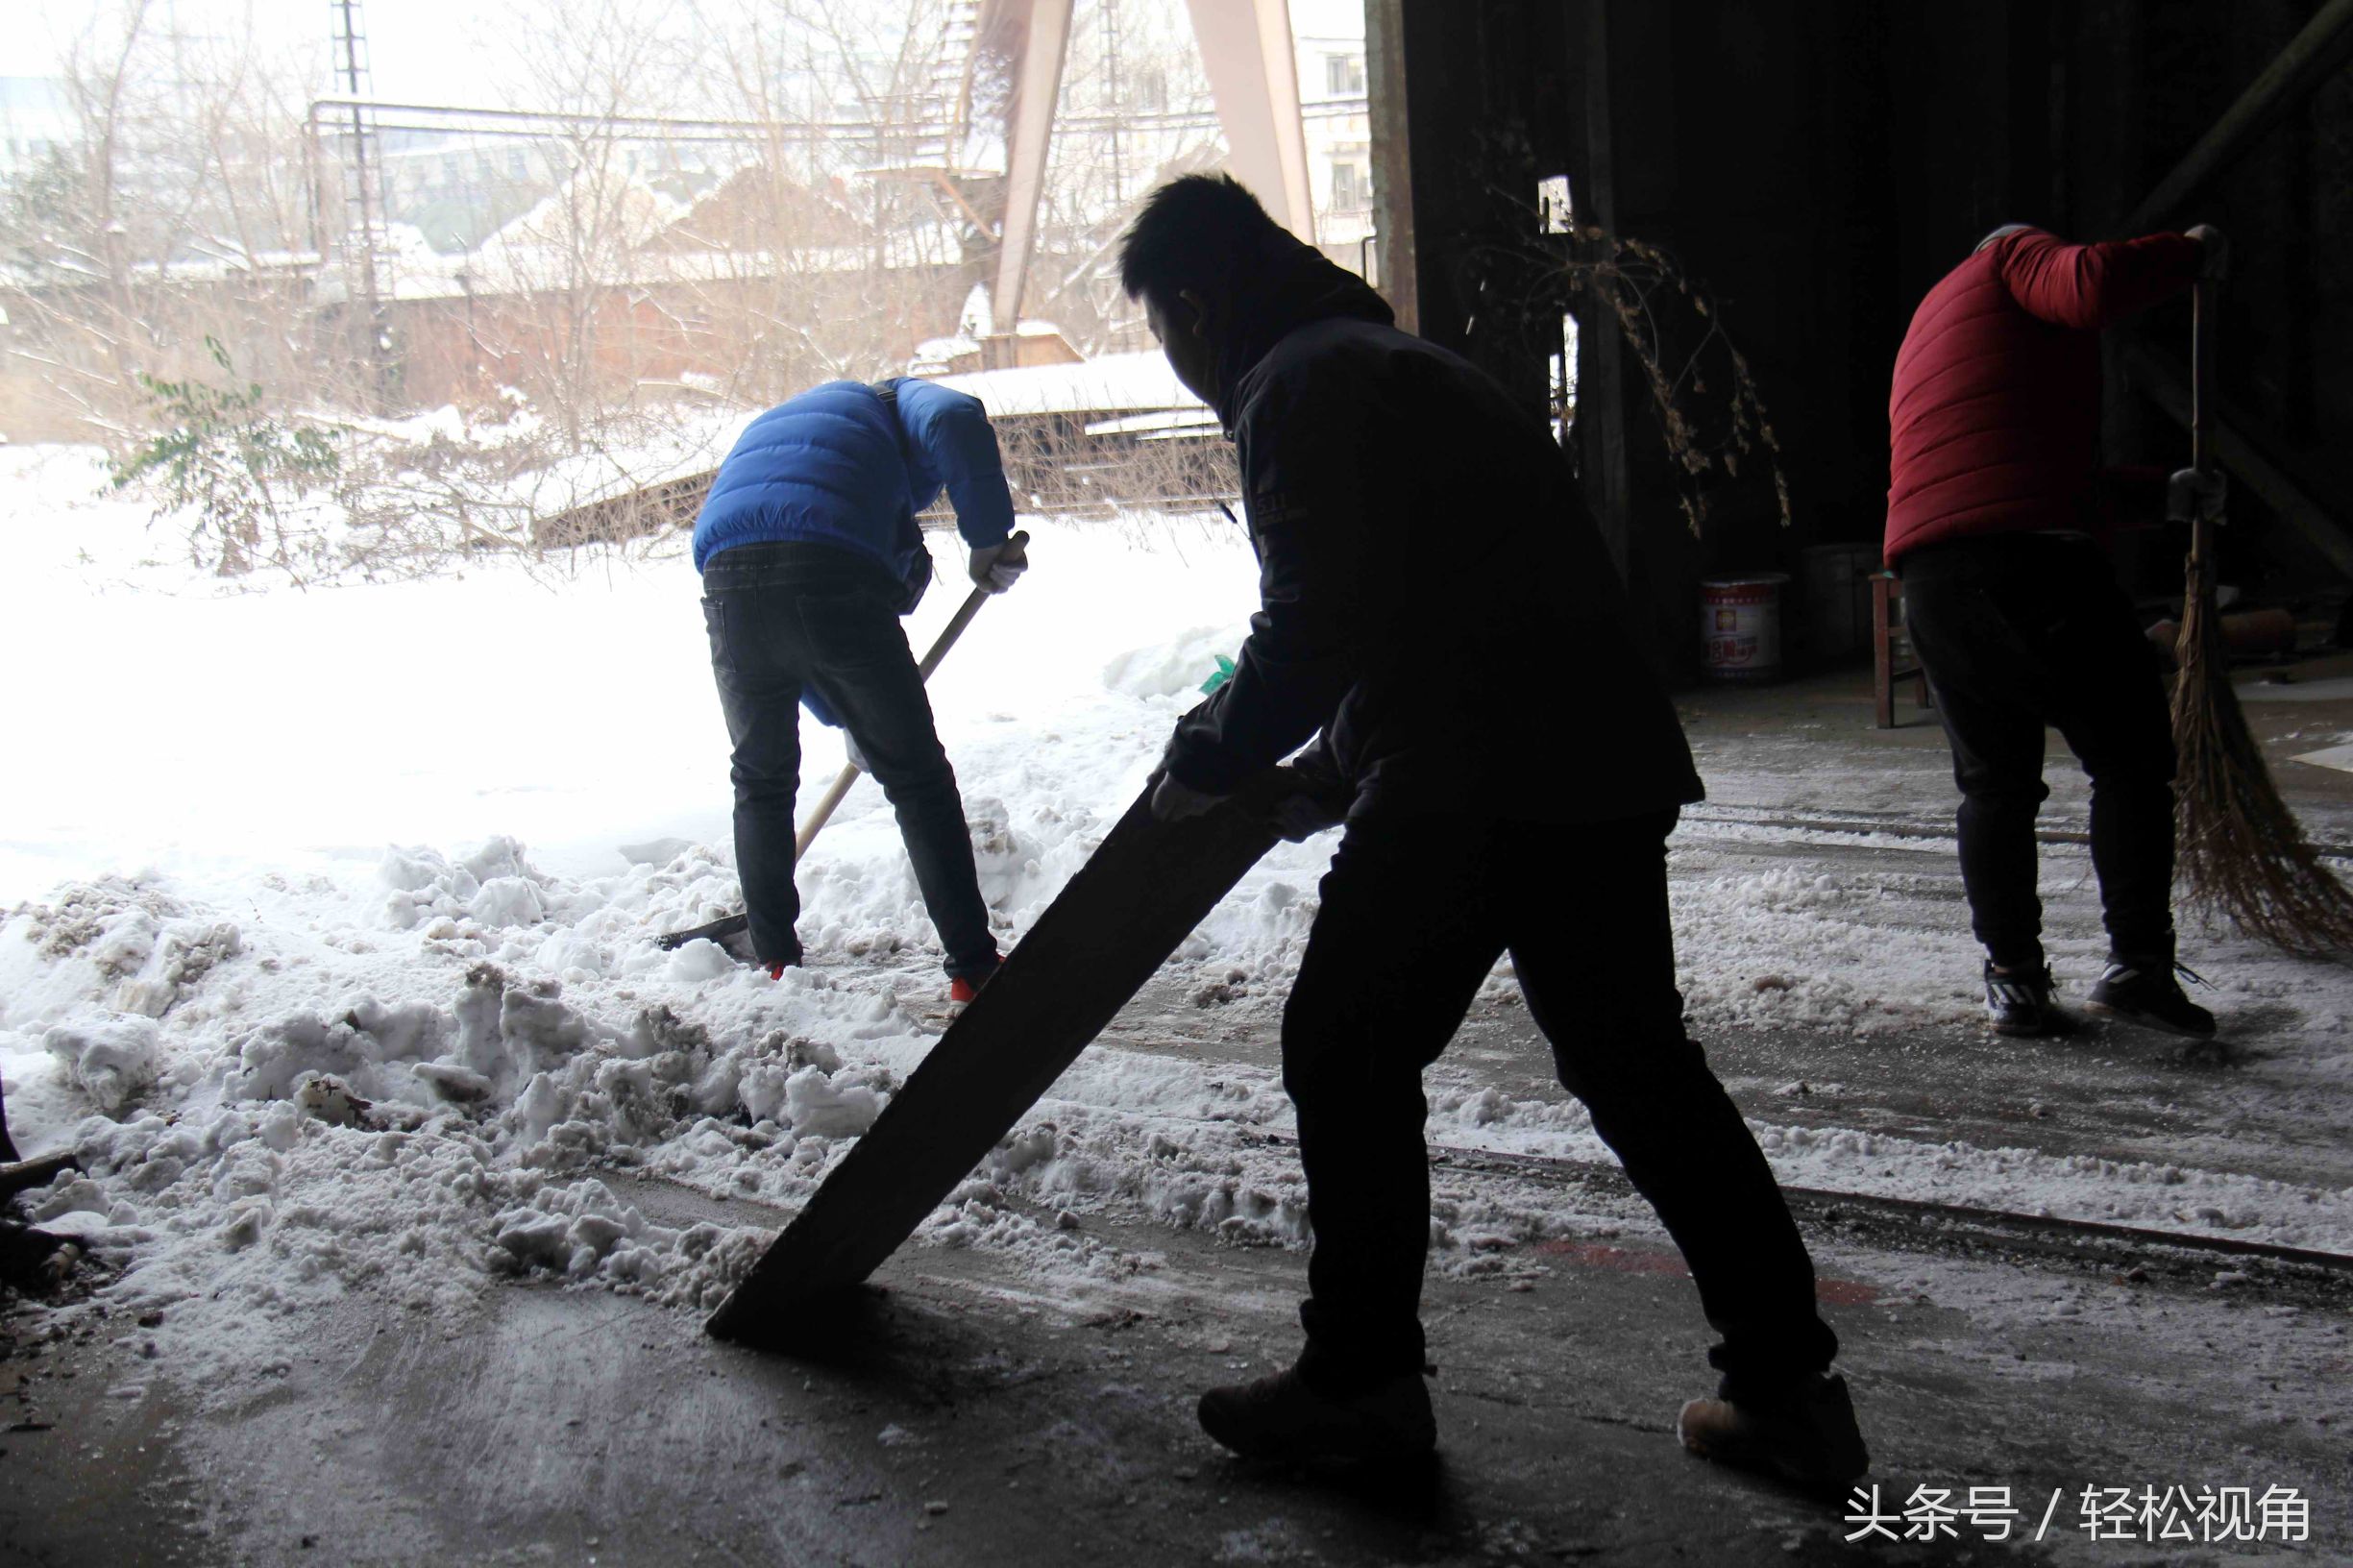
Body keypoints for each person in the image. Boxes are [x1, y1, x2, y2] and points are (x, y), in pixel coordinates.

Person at [1117, 173, 1865, 1489]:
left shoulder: (1298, 383)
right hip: (1590, 756)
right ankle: (1785, 1390)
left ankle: (1359, 1383)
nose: (1176, 363)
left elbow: (1313, 623)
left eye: (1164, 332)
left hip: (1479, 769)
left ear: (1192, 301)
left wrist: (1216, 746)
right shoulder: (1398, 367)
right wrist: (1324, 774)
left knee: (1342, 1044)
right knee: (1637, 1068)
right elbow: (1419, 615)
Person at [1885, 223, 2227, 1040]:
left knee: (1994, 786)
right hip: (2035, 568)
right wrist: (2189, 253)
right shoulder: (2007, 258)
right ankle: (2138, 967)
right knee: (2132, 761)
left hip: (1932, 579)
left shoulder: (1929, 323)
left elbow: (2003, 473)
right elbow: (2088, 284)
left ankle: (2013, 981)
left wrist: (2159, 495)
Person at [692, 378, 1027, 1003]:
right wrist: (987, 538)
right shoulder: (898, 399)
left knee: (760, 779)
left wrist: (850, 716)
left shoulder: (800, 420)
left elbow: (796, 628)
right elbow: (957, 418)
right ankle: (974, 967)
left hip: (728, 580)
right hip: (829, 567)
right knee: (917, 780)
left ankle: (774, 958)